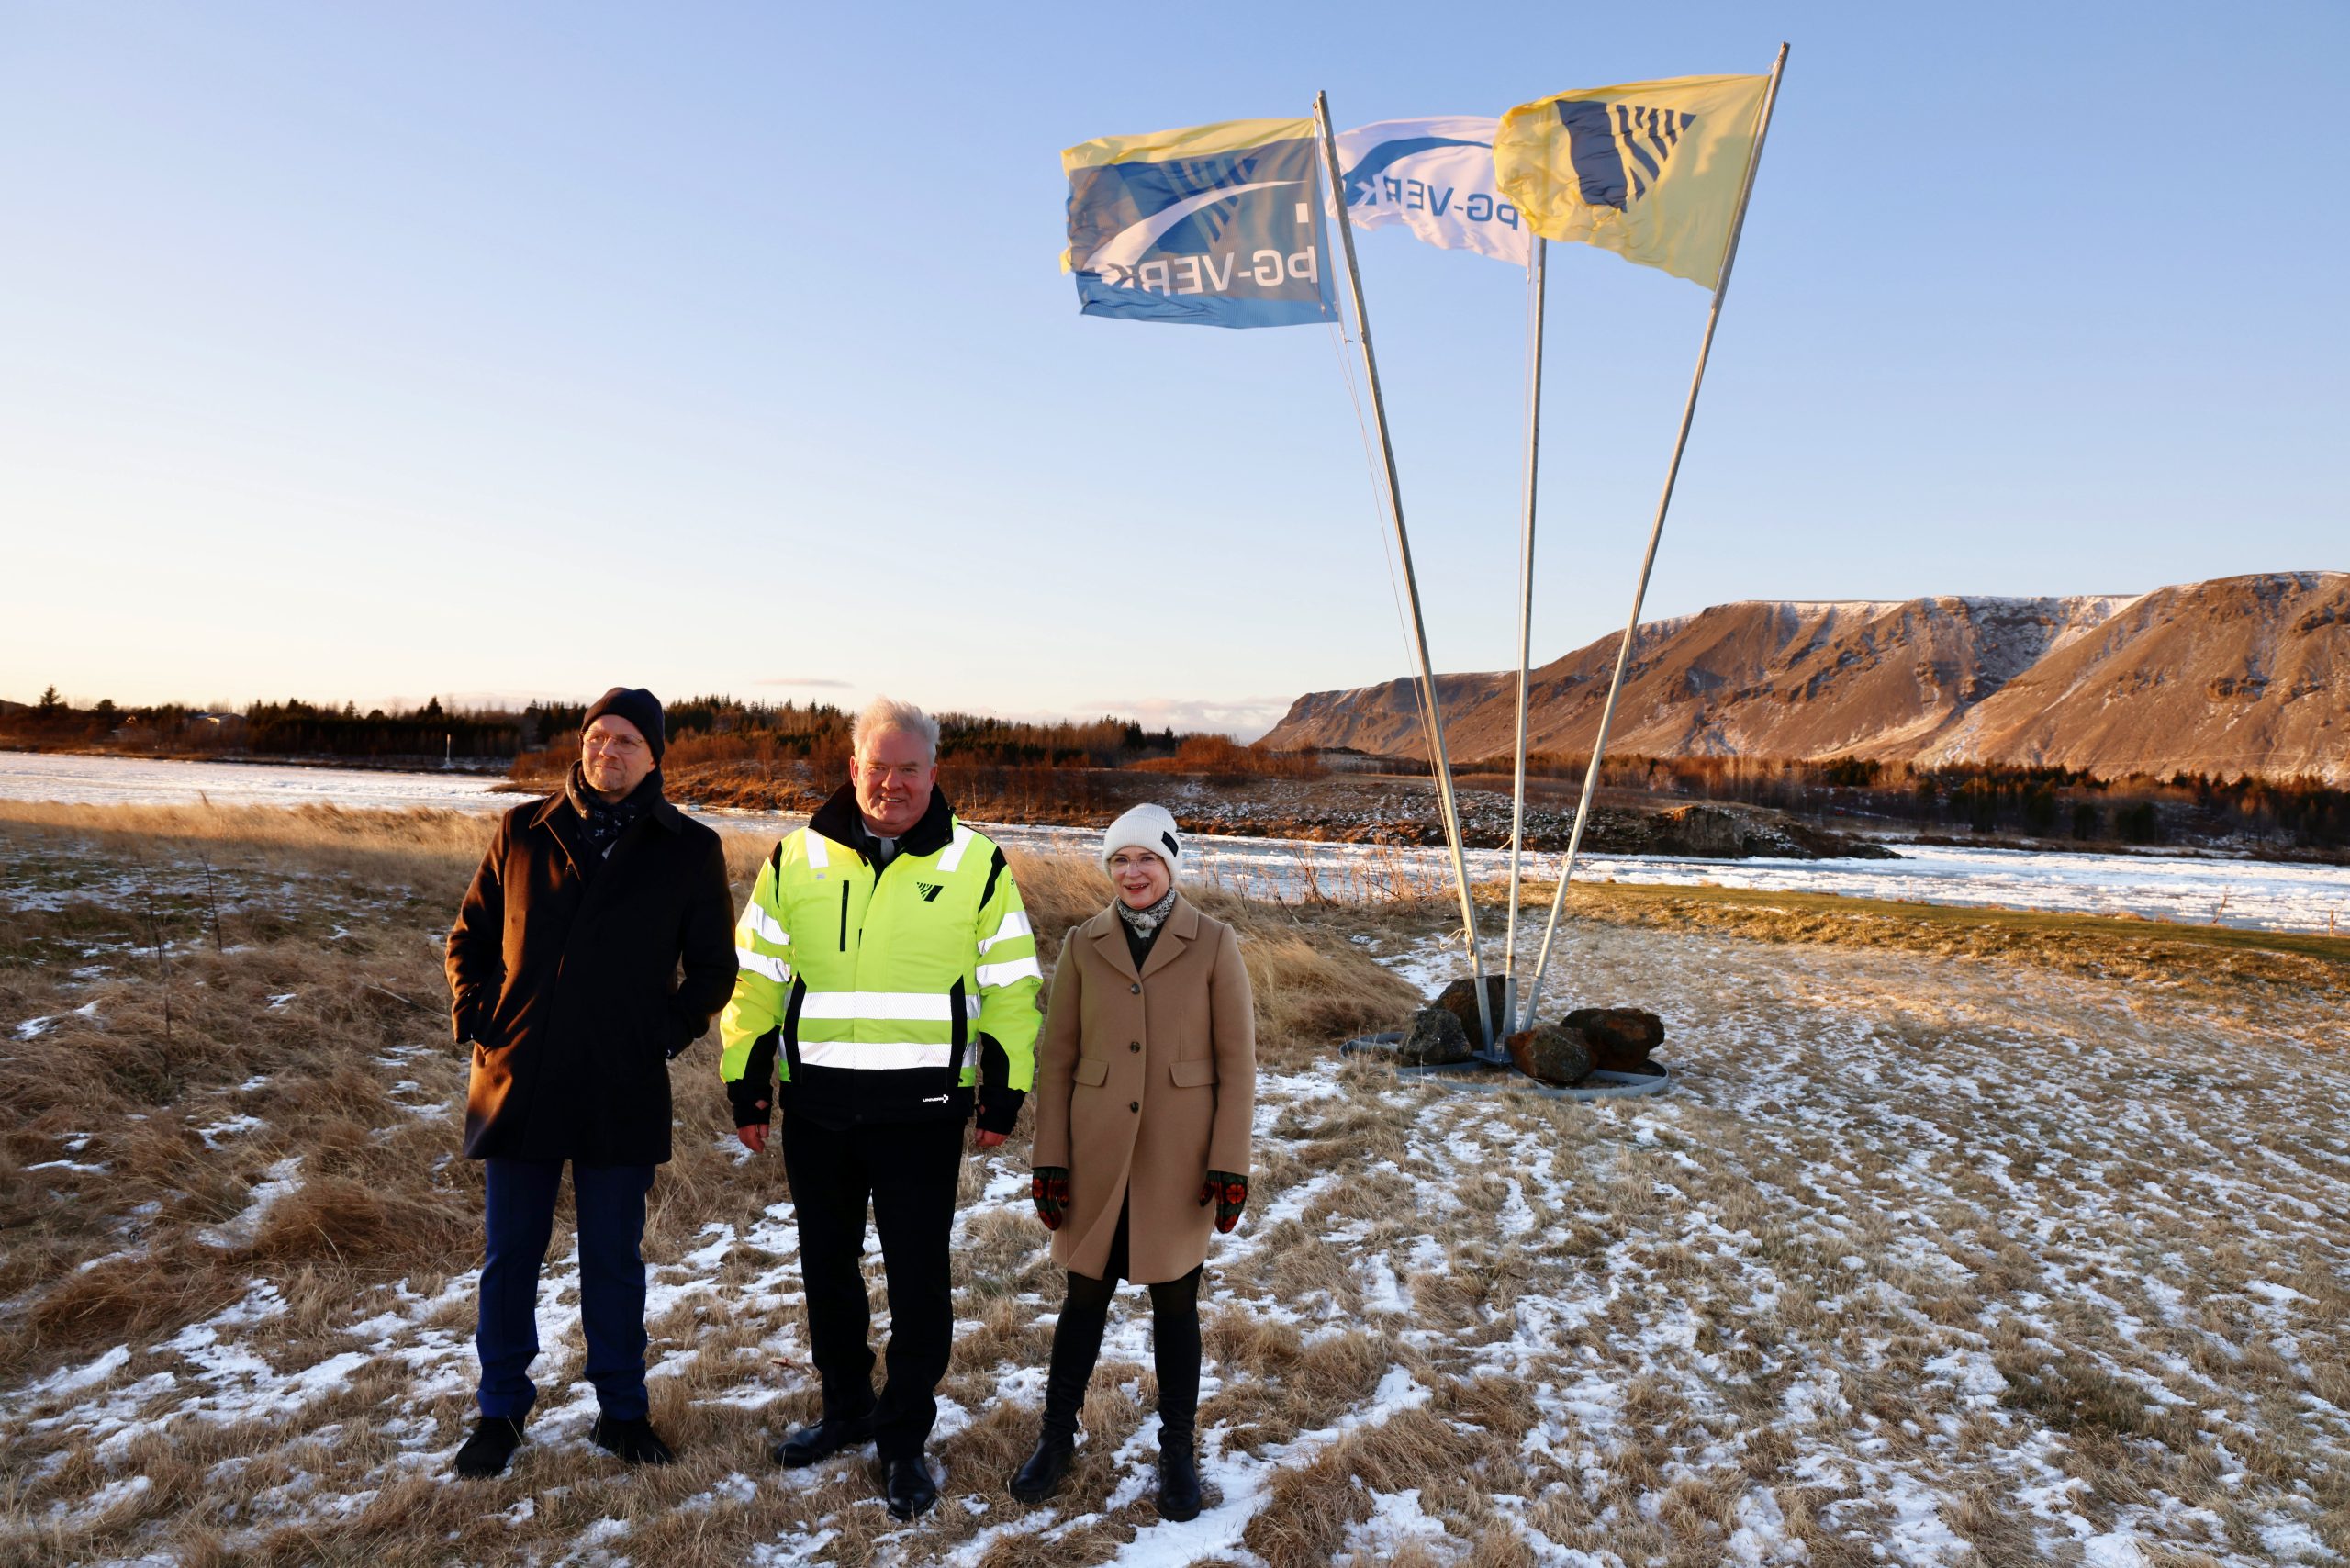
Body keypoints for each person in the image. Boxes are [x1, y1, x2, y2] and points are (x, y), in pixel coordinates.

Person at [719, 696, 1041, 1519]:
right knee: (828, 1272)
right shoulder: (796, 859)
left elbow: (1011, 987)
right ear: (852, 767)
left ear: (935, 773)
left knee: (918, 1283)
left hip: (922, 1115)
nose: (892, 783)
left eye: (909, 769)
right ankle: (845, 1408)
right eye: (878, 766)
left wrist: (1002, 1089)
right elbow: (758, 977)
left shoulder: (978, 864)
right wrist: (748, 1080)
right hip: (817, 1113)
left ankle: (903, 1439)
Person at [442, 687, 737, 1478]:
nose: (607, 753)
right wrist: (477, 1012)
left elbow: (714, 970)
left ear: (655, 756)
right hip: (520, 1075)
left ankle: (622, 1412)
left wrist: (660, 1037)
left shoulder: (688, 849)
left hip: (619, 1083)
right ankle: (500, 1411)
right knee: (511, 1255)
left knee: (614, 1258)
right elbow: (469, 934)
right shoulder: (522, 828)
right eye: (597, 737)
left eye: (627, 742)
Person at [1014, 803, 1254, 1522]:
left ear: (1170, 864)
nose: (1132, 872)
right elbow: (1056, 1062)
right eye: (1119, 860)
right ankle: (1057, 1440)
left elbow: (1238, 1067)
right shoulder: (1085, 945)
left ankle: (1177, 1449)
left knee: (1176, 1305)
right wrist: (1049, 1157)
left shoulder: (1215, 944)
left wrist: (1230, 1163)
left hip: (1178, 1160)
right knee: (1082, 1298)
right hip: (1092, 1157)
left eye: (1146, 858)